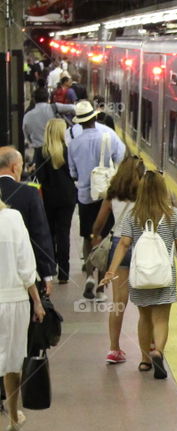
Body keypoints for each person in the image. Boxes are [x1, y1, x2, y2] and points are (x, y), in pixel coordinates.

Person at [103, 170, 177, 379]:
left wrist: (111, 271)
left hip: (141, 275)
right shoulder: (174, 215)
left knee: (144, 317)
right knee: (161, 319)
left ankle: (145, 361)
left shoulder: (132, 215)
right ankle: (158, 352)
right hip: (164, 276)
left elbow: (124, 243)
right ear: (163, 190)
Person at [66, 100, 126, 296]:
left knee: (88, 235)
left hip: (84, 196)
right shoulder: (109, 135)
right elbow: (121, 156)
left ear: (80, 123)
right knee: (105, 238)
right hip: (104, 195)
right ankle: (100, 285)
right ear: (94, 117)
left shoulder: (74, 144)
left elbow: (72, 173)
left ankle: (89, 275)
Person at [90, 154, 145, 363]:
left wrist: (95, 237)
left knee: (118, 303)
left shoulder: (113, 193)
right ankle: (147, 350)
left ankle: (114, 349)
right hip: (141, 244)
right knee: (143, 301)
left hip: (117, 244)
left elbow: (100, 221)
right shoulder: (143, 193)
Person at [0, 199, 45, 431]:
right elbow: (26, 265)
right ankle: (14, 417)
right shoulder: (13, 218)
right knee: (13, 360)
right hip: (14, 299)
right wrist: (37, 301)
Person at [0, 147, 56, 293]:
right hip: (21, 274)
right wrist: (47, 274)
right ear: (14, 167)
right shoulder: (29, 193)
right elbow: (40, 234)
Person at [33, 118, 77, 285]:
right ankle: (64, 274)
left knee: (49, 233)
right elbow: (74, 174)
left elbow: (40, 178)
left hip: (48, 197)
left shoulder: (40, 152)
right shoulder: (67, 150)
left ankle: (50, 270)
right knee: (63, 233)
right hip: (67, 196)